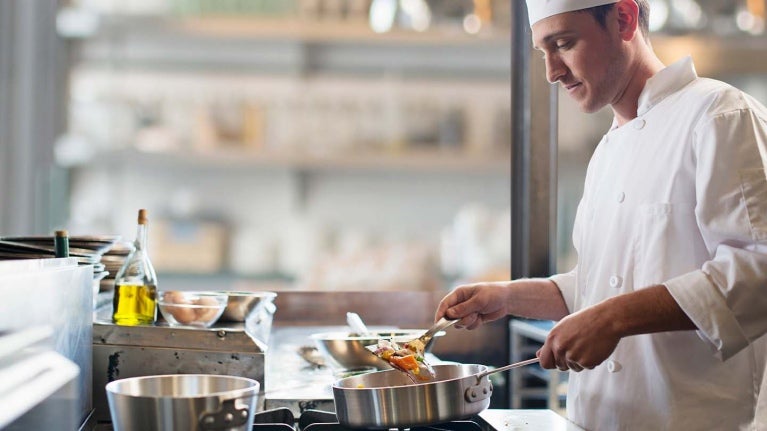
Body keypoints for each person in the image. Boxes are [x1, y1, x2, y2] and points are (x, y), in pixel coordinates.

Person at [435, 0, 767, 429]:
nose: (552, 72)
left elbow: (758, 272)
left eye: (564, 44)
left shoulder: (720, 116)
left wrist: (613, 318)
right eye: (543, 52)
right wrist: (507, 296)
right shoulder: (606, 153)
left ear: (624, 19)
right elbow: (600, 284)